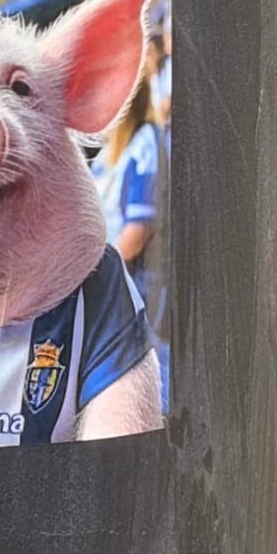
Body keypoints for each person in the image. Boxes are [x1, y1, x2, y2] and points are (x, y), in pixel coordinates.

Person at [90, 73, 171, 410]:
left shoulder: (145, 143)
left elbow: (138, 230)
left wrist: (100, 278)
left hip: (133, 281)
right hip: (110, 277)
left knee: (146, 373)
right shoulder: (109, 148)